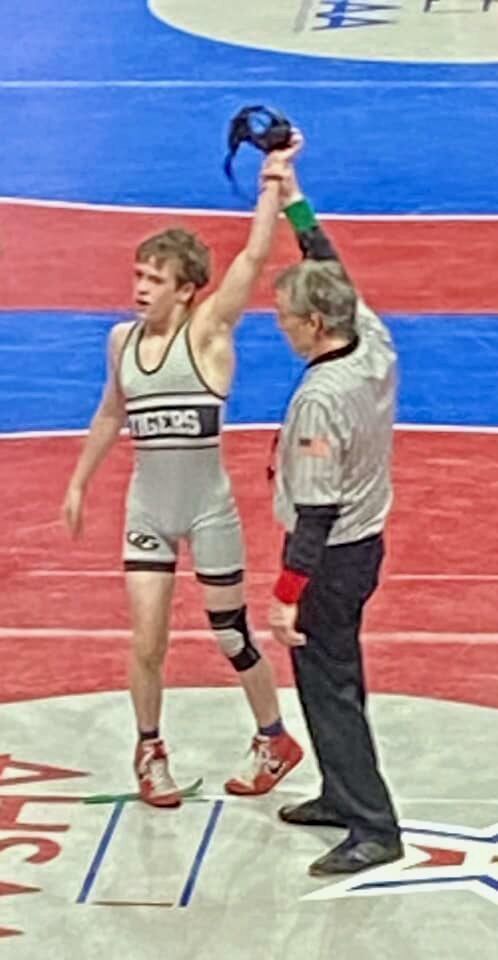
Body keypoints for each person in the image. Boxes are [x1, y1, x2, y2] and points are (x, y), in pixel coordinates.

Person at [61, 138, 303, 808]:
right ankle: (149, 750)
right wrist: (80, 481)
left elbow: (254, 261)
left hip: (209, 509)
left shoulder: (208, 333)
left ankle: (274, 737)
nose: (139, 288)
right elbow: (112, 411)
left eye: (154, 279)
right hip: (149, 511)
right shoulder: (123, 342)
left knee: (231, 634)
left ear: (188, 289)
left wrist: (272, 185)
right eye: (137, 275)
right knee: (146, 641)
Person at [266, 149, 404, 875]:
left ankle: (374, 825)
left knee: (329, 684)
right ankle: (340, 790)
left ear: (315, 324)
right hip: (366, 539)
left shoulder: (321, 398)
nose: (281, 327)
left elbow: (314, 513)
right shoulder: (372, 341)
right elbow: (334, 268)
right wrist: (294, 201)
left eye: (288, 318)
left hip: (333, 555)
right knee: (334, 677)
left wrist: (287, 598)